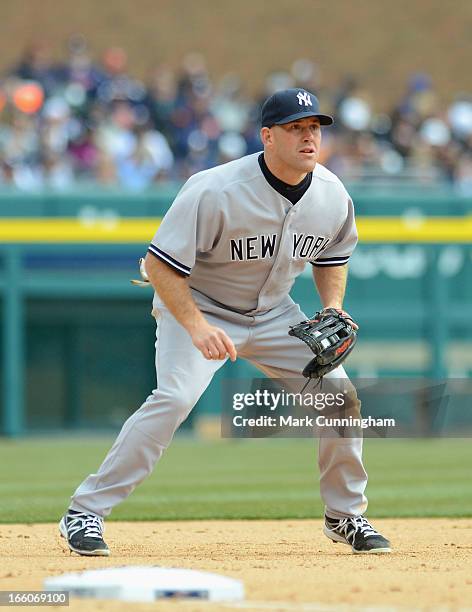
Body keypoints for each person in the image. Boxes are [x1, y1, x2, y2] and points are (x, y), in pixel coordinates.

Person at [59, 88, 391, 556]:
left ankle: (345, 516)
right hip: (200, 307)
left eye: (314, 127)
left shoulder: (332, 194)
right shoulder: (214, 189)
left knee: (340, 399)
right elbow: (159, 267)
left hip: (277, 314)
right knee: (174, 397)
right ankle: (85, 511)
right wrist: (195, 326)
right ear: (267, 136)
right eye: (296, 127)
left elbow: (334, 255)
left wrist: (333, 306)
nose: (308, 136)